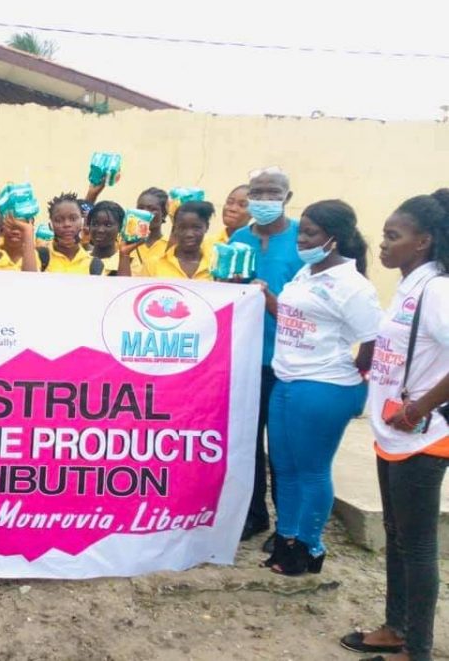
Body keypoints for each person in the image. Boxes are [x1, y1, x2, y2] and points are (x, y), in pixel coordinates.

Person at [340, 191, 449, 661]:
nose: (381, 245)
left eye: (392, 236)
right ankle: (394, 628)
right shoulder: (408, 285)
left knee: (419, 544)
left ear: (423, 241)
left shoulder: (437, 290)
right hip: (392, 431)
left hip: (421, 435)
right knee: (398, 534)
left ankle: (417, 650)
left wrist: (418, 406)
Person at [262, 200, 380, 575]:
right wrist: (267, 299)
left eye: (310, 232)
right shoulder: (307, 273)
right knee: (284, 467)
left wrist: (349, 372)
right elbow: (294, 319)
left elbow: (372, 341)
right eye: (302, 231)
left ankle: (309, 548)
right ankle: (286, 542)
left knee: (312, 470)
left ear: (334, 238)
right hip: (288, 380)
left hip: (324, 387)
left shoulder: (353, 285)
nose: (302, 238)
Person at [230, 167, 304, 544]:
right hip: (245, 358)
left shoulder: (302, 241)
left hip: (289, 360)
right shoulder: (240, 237)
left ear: (287, 197)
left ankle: (287, 526)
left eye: (271, 192)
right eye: (256, 192)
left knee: (285, 449)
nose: (262, 199)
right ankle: (254, 515)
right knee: (247, 445)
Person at [143, 201, 215, 280]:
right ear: (174, 229)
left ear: (206, 227)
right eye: (182, 228)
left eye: (196, 228)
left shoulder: (215, 265)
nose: (189, 234)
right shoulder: (153, 264)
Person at [38, 193, 94, 274]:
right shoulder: (38, 256)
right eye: (59, 220)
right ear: (50, 225)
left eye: (73, 218)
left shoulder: (94, 265)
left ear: (82, 222)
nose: (67, 224)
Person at [87, 201, 132, 276]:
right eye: (95, 224)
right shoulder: (79, 259)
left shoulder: (129, 261)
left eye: (108, 225)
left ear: (121, 228)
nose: (100, 230)